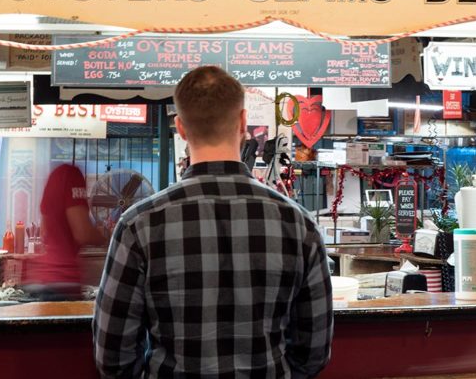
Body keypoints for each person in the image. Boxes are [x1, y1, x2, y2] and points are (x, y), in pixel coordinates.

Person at [94, 66, 333, 378]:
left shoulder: (138, 225)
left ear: (180, 127)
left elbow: (113, 357)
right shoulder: (299, 224)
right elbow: (313, 352)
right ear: (244, 123)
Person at [25, 163, 106, 300]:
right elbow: (83, 233)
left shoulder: (54, 177)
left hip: (44, 277)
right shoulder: (72, 175)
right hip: (64, 281)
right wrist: (107, 236)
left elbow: (44, 232)